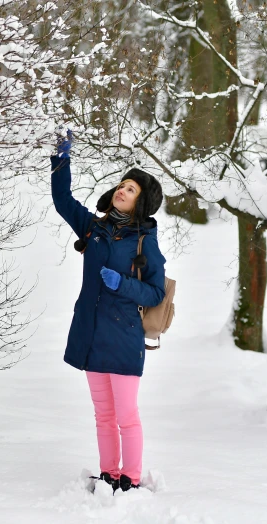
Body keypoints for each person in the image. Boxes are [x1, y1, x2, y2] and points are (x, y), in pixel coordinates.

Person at [51, 130, 166, 493]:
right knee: (103, 415)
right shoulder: (95, 228)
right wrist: (61, 158)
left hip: (123, 334)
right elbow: (62, 200)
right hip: (91, 332)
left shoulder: (145, 240)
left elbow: (156, 291)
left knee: (126, 417)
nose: (122, 190)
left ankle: (130, 480)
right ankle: (108, 475)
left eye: (131, 189)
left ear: (142, 201)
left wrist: (122, 284)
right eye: (122, 185)